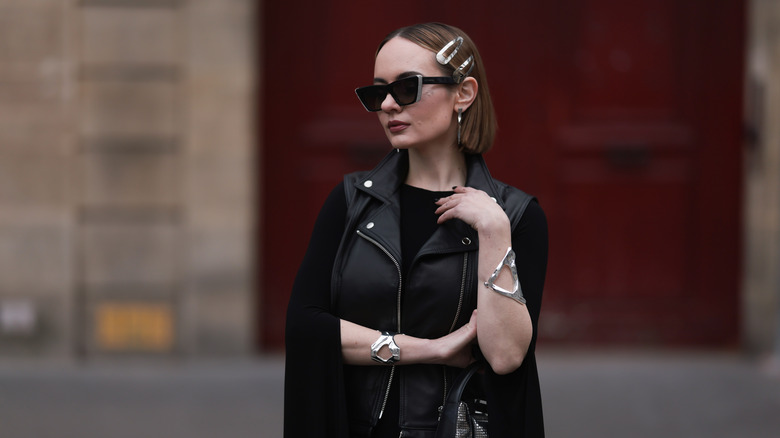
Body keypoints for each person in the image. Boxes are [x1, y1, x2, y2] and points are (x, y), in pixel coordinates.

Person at [284, 22, 548, 437]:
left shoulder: (515, 216)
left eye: (407, 88)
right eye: (377, 93)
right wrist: (430, 349)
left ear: (463, 93)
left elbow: (505, 356)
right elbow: (304, 326)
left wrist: (495, 234)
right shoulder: (352, 202)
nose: (388, 104)